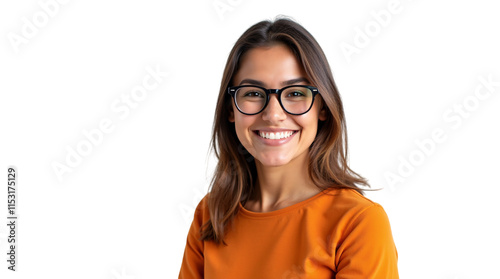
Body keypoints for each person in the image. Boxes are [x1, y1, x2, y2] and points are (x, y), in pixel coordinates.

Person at [179, 17, 398, 279]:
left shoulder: (359, 222)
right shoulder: (212, 214)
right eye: (253, 93)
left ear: (323, 108)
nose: (273, 115)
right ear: (230, 109)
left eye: (295, 93)